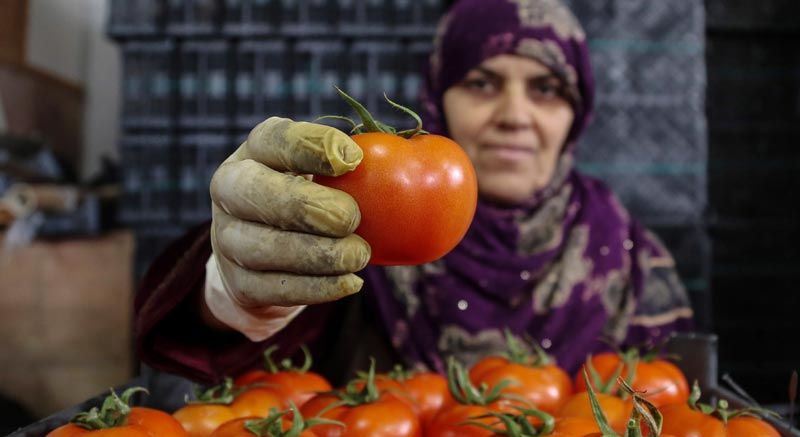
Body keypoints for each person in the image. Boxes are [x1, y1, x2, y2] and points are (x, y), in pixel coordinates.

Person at [134, 0, 694, 387]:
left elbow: (669, 405)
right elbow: (218, 353)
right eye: (482, 83)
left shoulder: (632, 260)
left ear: (576, 114)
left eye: (546, 89)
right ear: (438, 97)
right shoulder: (357, 222)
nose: (515, 117)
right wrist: (237, 291)